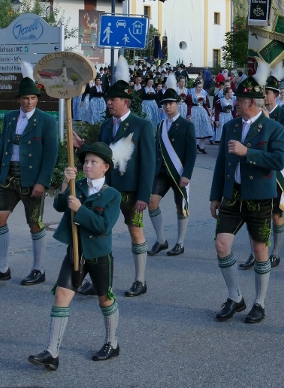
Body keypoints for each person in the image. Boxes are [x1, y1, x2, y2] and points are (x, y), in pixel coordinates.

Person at [28, 143, 121, 371]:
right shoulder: (76, 186)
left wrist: (81, 209)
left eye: (93, 162)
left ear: (105, 167)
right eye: (86, 161)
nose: (87, 165)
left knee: (104, 299)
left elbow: (104, 226)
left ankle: (112, 343)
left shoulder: (112, 195)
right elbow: (60, 206)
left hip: (98, 255)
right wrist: (64, 183)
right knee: (60, 295)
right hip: (75, 252)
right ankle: (52, 352)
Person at [210, 75, 284, 324]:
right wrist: (215, 196)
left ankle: (259, 302)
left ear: (250, 102)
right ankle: (235, 297)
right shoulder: (230, 126)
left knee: (259, 249)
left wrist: (248, 153)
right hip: (232, 195)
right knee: (222, 245)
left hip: (260, 198)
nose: (235, 102)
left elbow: (278, 161)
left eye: (240, 99)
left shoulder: (274, 128)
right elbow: (221, 163)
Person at [73, 74, 156, 297]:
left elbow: (149, 163)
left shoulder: (142, 125)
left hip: (131, 191)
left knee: (135, 231)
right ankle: (97, 280)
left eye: (113, 99)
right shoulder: (106, 126)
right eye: (108, 99)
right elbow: (102, 156)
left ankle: (140, 280)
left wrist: (144, 195)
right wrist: (82, 147)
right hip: (106, 189)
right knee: (96, 231)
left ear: (125, 102)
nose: (109, 102)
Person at [0, 75, 58, 287]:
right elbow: (2, 149)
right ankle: (2, 267)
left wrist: (43, 181)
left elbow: (51, 153)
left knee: (35, 223)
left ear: (37, 99)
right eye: (25, 98)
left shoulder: (46, 120)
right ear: (19, 99)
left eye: (33, 98)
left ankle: (38, 269)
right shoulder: (10, 118)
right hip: (8, 175)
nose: (29, 102)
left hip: (32, 179)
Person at [240, 75, 284, 271]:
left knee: (275, 213)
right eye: (262, 93)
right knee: (254, 213)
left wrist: (267, 119)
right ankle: (254, 253)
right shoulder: (253, 114)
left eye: (267, 93)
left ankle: (275, 253)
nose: (263, 96)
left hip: (277, 168)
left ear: (275, 95)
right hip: (256, 165)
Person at [148, 87, 196, 257]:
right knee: (152, 202)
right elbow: (156, 150)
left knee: (180, 207)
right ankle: (161, 240)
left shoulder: (187, 125)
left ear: (177, 104)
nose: (167, 106)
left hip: (179, 173)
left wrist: (187, 174)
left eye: (170, 103)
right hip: (161, 172)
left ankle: (180, 243)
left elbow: (192, 153)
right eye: (165, 104)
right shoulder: (160, 124)